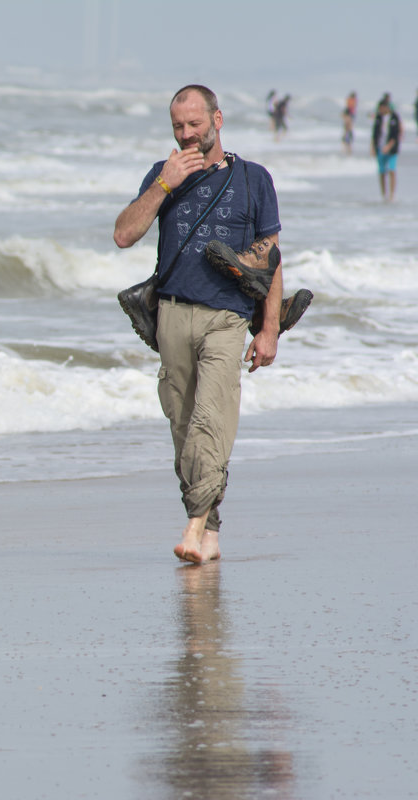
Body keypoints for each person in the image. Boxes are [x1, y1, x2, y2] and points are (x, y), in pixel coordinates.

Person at [113, 85, 286, 564]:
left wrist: (268, 328)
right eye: (178, 127)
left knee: (211, 419)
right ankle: (210, 534)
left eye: (195, 124)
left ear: (217, 119)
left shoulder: (253, 179)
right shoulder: (163, 175)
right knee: (185, 430)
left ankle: (191, 527)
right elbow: (124, 234)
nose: (187, 134)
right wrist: (164, 184)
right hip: (171, 314)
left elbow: (271, 258)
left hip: (226, 319)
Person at [372, 97, 401, 201]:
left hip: (392, 149)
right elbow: (374, 133)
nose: (380, 110)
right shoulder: (379, 117)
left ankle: (392, 195)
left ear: (386, 107)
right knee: (382, 171)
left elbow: (396, 134)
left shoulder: (394, 117)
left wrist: (389, 146)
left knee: (392, 170)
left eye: (381, 108)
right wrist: (373, 147)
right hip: (380, 148)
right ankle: (384, 195)